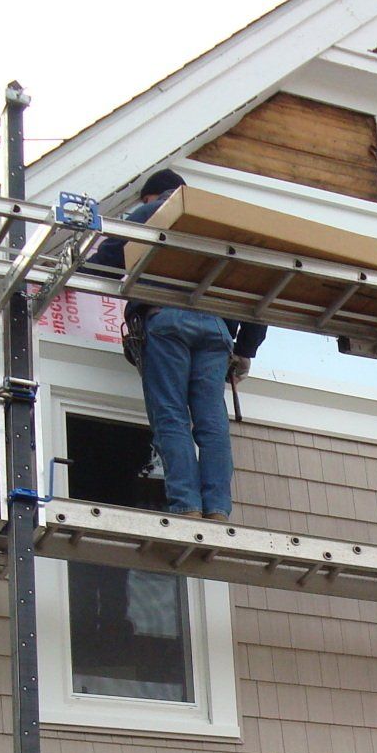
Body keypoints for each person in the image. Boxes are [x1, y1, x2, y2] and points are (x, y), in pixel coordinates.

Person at [93, 169, 266, 520]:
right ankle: (217, 508)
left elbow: (107, 264)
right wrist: (247, 349)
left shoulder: (153, 211)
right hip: (217, 328)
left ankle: (186, 506)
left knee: (171, 415)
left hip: (167, 319)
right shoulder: (217, 221)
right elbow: (259, 289)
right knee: (212, 423)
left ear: (151, 197)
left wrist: (71, 263)